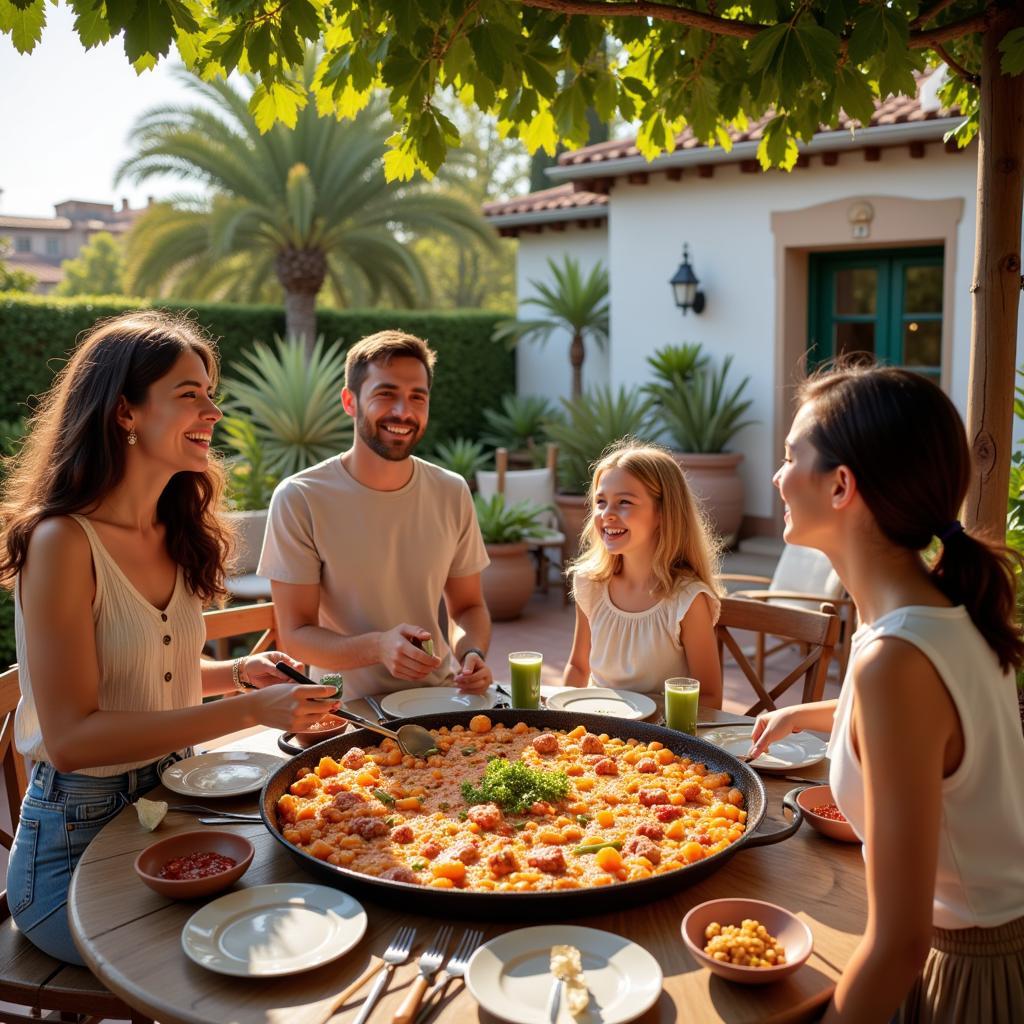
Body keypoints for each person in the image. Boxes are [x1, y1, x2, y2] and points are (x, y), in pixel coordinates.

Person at [0, 311, 335, 964]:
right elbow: (70, 738)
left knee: (300, 902)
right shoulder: (63, 543)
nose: (212, 410)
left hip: (174, 802)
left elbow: (151, 679)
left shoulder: (175, 532)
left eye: (211, 393)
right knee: (228, 956)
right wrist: (246, 712)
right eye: (190, 395)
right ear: (125, 412)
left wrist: (241, 675)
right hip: (75, 846)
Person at [749, 364, 1024, 1022]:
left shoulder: (896, 659)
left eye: (792, 457)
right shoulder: (932, 613)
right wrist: (807, 712)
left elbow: (901, 945)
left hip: (965, 975)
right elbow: (942, 730)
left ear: (842, 485)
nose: (778, 477)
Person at [259, 329, 492, 699]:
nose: (404, 411)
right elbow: (296, 635)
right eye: (386, 395)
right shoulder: (300, 497)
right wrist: (378, 647)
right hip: (344, 714)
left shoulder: (451, 490)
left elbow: (468, 607)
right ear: (350, 401)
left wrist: (472, 652)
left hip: (441, 703)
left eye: (418, 397)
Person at [562, 439, 723, 705]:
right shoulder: (590, 583)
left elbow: (709, 697)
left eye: (624, 502)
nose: (607, 514)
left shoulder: (687, 600)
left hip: (659, 740)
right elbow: (578, 668)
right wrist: (560, 723)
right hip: (595, 735)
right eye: (601, 502)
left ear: (663, 513)